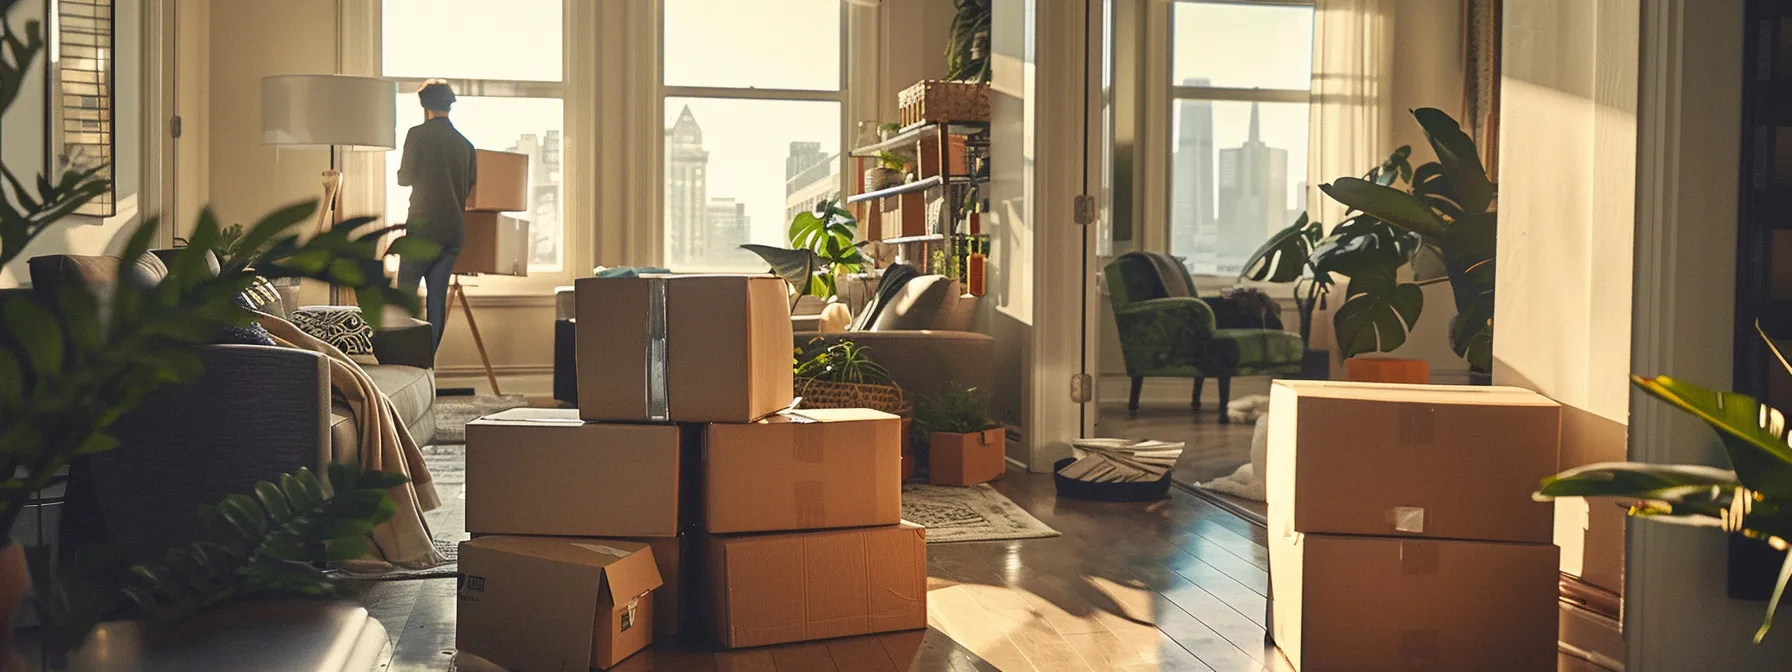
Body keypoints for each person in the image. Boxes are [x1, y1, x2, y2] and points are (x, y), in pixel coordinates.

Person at [395, 79, 476, 350]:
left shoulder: (417, 135)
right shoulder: (466, 145)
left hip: (423, 229)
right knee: (436, 302)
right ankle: (428, 364)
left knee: (404, 299)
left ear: (424, 105)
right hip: (453, 231)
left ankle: (406, 360)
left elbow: (404, 178)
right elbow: (466, 189)